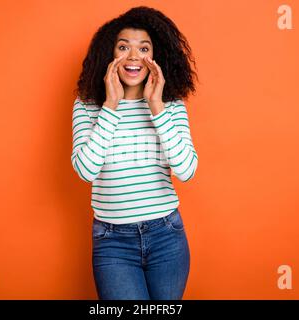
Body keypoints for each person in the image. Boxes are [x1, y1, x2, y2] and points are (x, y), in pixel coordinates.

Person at [71, 6, 199, 300]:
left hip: (166, 236)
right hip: (112, 240)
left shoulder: (171, 106)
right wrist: (111, 107)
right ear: (109, 54)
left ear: (155, 58)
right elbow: (85, 170)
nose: (133, 56)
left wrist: (156, 106)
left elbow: (186, 170)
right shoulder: (88, 106)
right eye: (123, 47)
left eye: (144, 48)